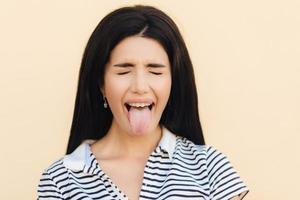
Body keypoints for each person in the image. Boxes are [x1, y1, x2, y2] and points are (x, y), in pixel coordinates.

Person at [37, 4, 249, 200]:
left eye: (155, 71)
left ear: (173, 81)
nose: (140, 86)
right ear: (101, 82)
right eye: (124, 70)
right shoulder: (60, 180)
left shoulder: (210, 167)